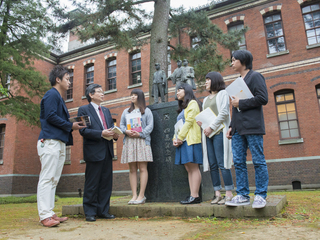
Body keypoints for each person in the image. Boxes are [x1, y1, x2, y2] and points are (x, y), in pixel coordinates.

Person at [37, 65, 85, 227]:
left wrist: (72, 124)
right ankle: (44, 215)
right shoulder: (51, 94)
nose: (70, 81)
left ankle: (50, 213)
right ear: (58, 79)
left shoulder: (58, 97)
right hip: (49, 141)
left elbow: (56, 118)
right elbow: (50, 116)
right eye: (67, 78)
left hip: (58, 141)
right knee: (47, 178)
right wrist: (70, 126)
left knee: (54, 179)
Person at [225, 50, 269, 208]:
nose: (232, 63)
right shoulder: (238, 81)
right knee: (238, 162)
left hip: (253, 126)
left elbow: (263, 98)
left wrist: (241, 103)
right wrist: (231, 126)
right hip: (238, 129)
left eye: (234, 60)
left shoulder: (255, 76)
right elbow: (235, 107)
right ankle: (242, 194)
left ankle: (260, 195)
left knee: (258, 161)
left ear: (242, 61)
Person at [78, 84, 119, 222]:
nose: (103, 94)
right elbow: (83, 130)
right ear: (91, 94)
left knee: (106, 183)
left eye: (103, 91)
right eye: (99, 92)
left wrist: (115, 134)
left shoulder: (106, 111)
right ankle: (89, 212)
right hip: (93, 152)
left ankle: (103, 211)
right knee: (92, 183)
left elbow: (110, 128)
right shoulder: (83, 110)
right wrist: (101, 133)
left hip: (107, 151)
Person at [196, 72, 234, 205]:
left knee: (222, 162)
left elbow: (224, 112)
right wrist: (202, 123)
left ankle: (229, 193)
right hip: (208, 134)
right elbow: (207, 115)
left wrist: (211, 127)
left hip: (219, 133)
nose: (205, 83)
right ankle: (217, 193)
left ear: (215, 80)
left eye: (208, 80)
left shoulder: (223, 94)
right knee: (212, 164)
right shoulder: (206, 99)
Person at [120, 89, 154, 205]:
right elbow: (121, 125)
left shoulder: (147, 111)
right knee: (132, 169)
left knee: (143, 168)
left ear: (140, 97)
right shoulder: (126, 111)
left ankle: (141, 195)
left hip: (142, 141)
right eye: (131, 95)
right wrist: (126, 131)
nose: (132, 97)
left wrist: (140, 133)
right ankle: (134, 195)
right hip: (129, 141)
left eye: (135, 95)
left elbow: (150, 126)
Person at [173, 83, 203, 204]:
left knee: (193, 167)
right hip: (183, 141)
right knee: (188, 168)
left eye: (179, 90)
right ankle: (192, 194)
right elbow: (178, 127)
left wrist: (179, 137)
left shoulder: (193, 103)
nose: (177, 92)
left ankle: (195, 196)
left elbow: (189, 122)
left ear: (187, 90)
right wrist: (175, 139)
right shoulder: (184, 108)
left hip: (190, 140)